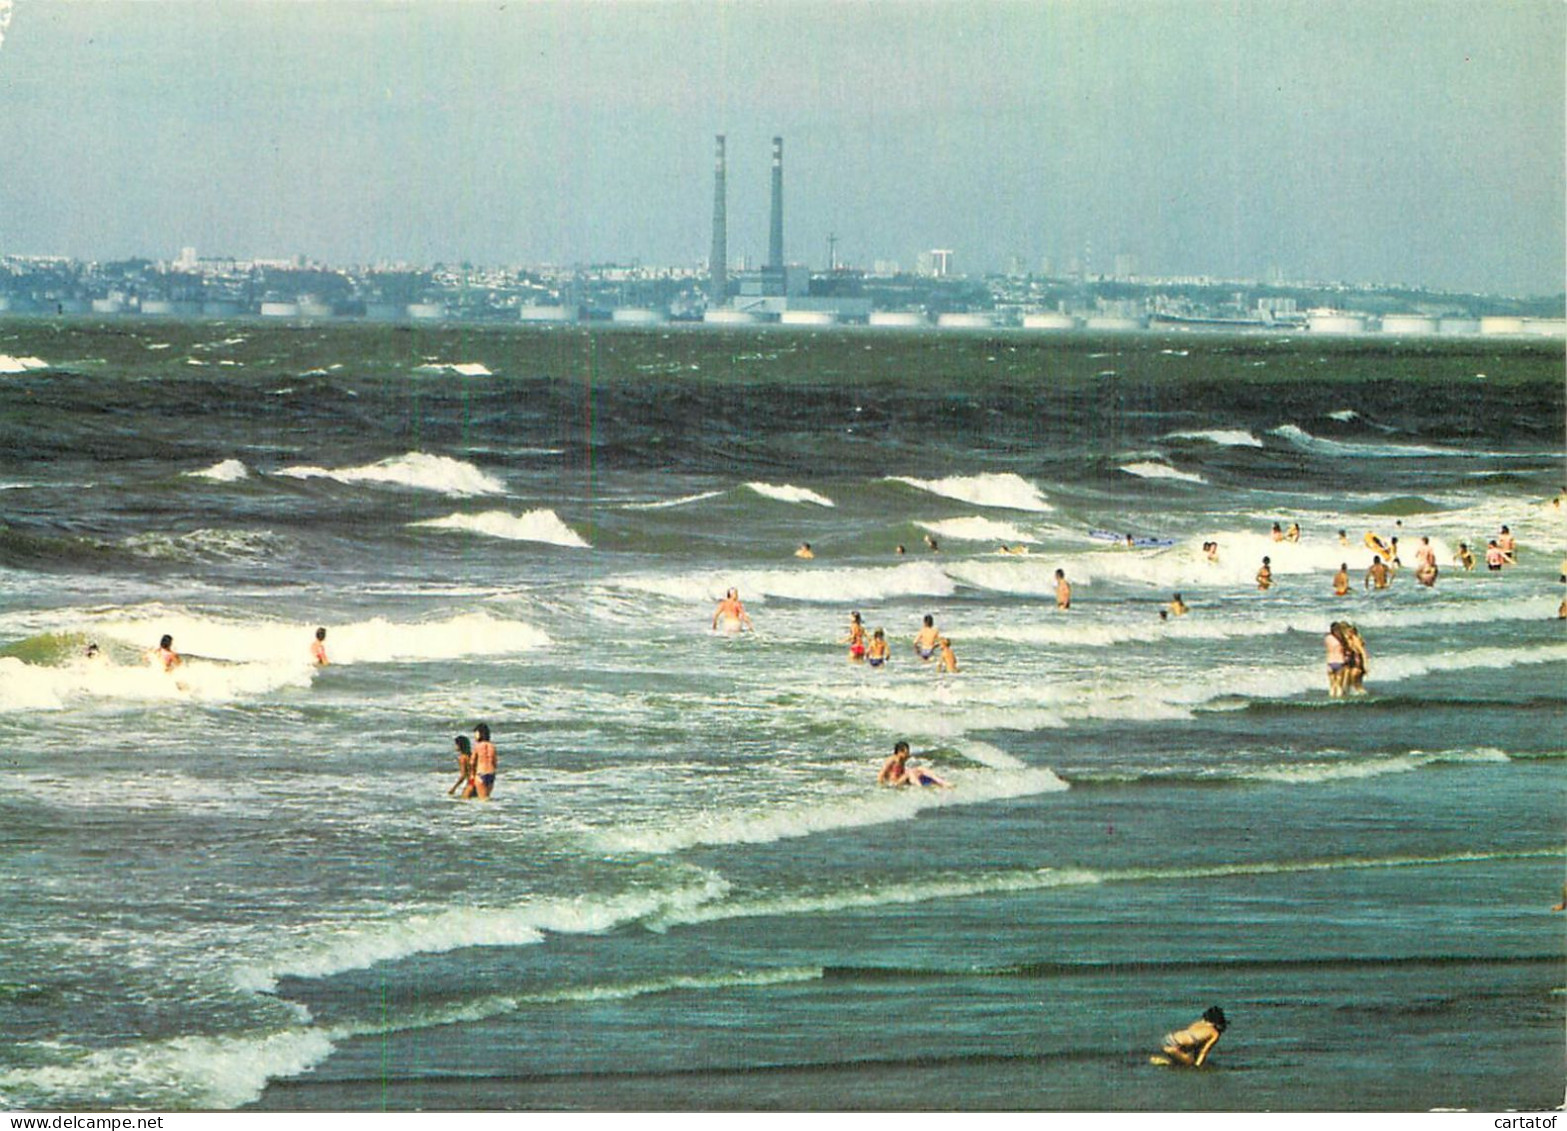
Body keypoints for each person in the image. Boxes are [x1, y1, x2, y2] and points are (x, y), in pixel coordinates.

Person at [1158, 1006, 1228, 1067]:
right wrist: (1197, 1066)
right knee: (1190, 1064)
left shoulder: (1198, 1023)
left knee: (1183, 1060)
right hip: (1173, 1046)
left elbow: (1188, 1040)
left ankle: (1169, 1059)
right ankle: (1164, 1061)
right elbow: (1204, 1051)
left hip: (1167, 1038)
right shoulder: (1214, 1033)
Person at [878, 740, 950, 788]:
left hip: (901, 780)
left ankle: (942, 782)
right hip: (894, 783)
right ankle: (920, 788)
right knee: (909, 772)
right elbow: (881, 775)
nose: (908, 755)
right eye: (906, 752)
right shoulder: (891, 760)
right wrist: (883, 787)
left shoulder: (902, 760)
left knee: (920, 769)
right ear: (900, 752)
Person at [1337, 622, 1368, 693]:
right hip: (1350, 662)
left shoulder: (1355, 639)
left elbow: (1363, 653)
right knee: (1347, 683)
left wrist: (1365, 665)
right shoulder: (1346, 639)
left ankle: (1363, 695)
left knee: (1356, 683)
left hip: (1357, 662)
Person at [472, 722, 497, 800]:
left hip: (480, 773)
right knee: (487, 797)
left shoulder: (478, 746)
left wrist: (472, 774)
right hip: (491, 773)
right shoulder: (492, 746)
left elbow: (472, 762)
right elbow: (495, 761)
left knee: (482, 799)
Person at [1325, 623, 1349, 697]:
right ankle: (1339, 703)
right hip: (1340, 662)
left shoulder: (1327, 638)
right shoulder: (1342, 639)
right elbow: (1345, 650)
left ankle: (1331, 703)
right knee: (1339, 686)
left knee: (1332, 686)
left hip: (1330, 662)